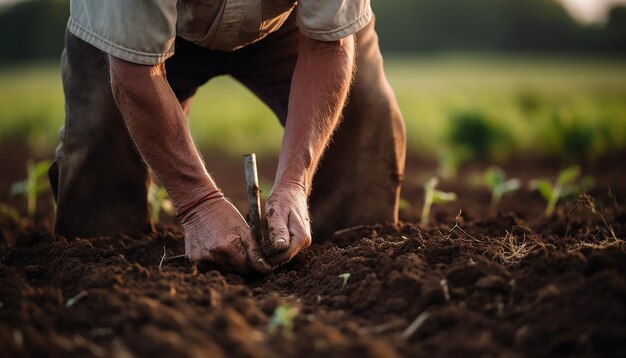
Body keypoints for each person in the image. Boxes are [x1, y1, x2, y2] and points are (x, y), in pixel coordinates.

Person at [49, 0, 406, 274]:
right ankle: (101, 279)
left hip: (284, 26)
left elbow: (328, 47)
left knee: (363, 113)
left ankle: (348, 263)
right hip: (130, 40)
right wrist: (198, 203)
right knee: (103, 147)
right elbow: (133, 71)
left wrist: (295, 181)